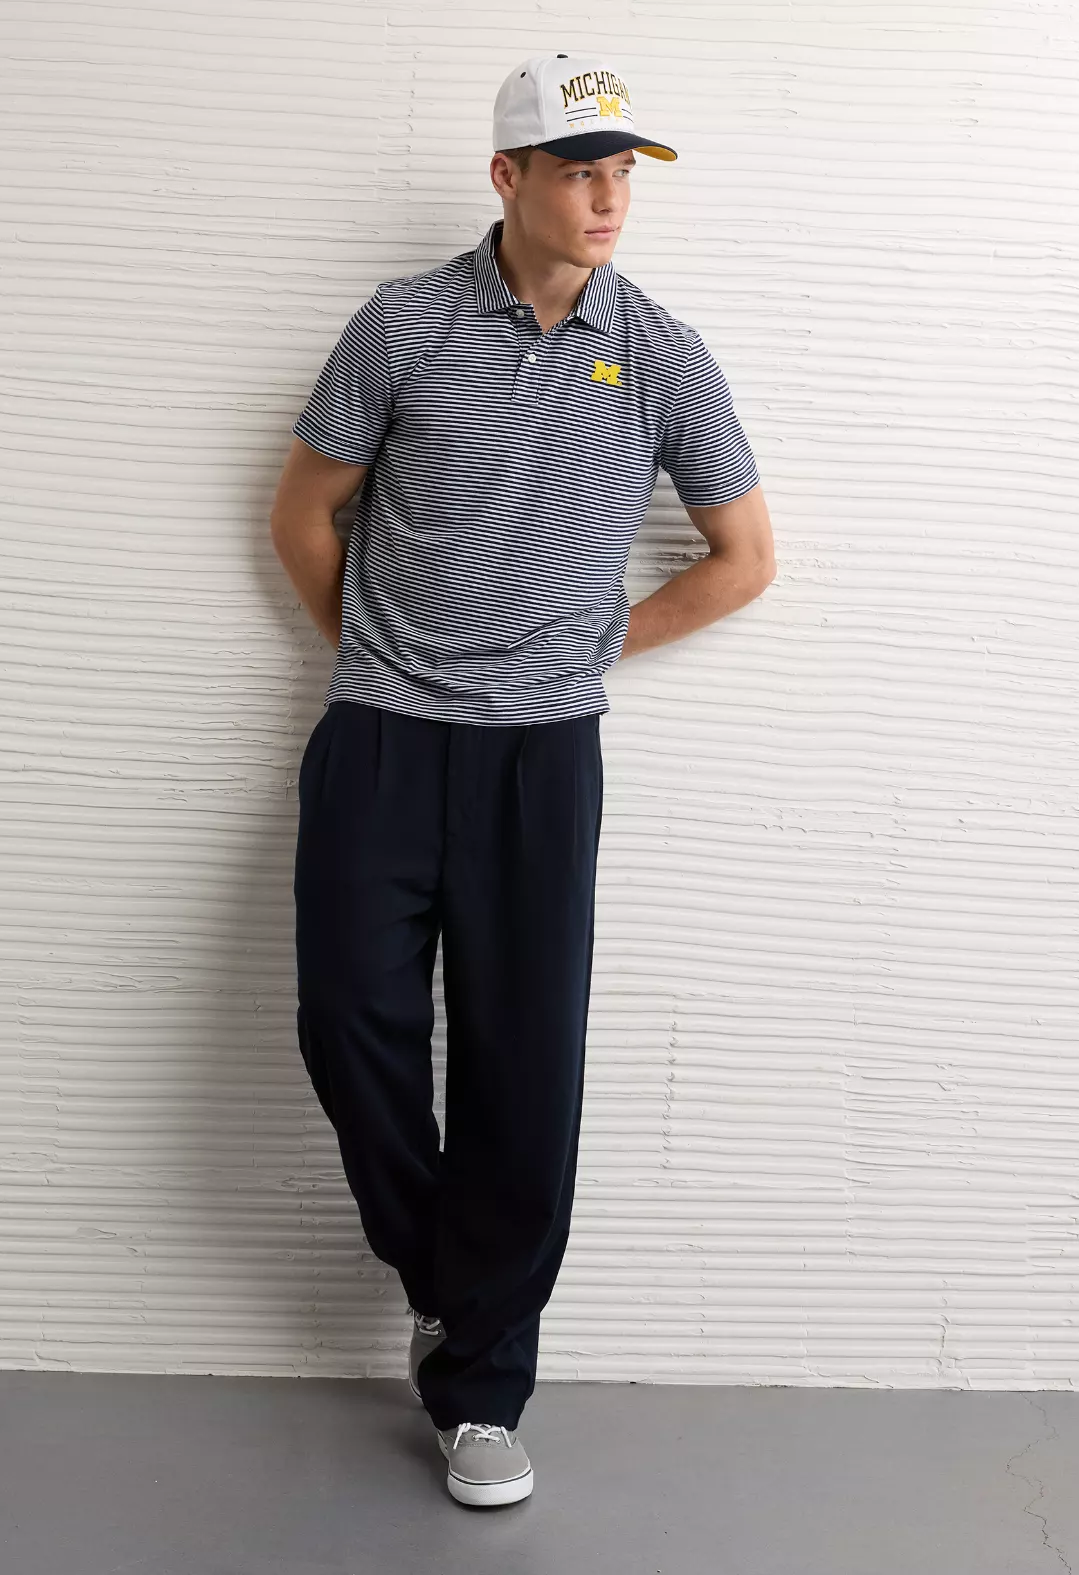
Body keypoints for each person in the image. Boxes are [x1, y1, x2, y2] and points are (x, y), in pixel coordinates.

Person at [269, 49, 775, 1509]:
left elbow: (743, 558)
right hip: (379, 737)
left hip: (541, 758)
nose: (607, 198)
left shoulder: (660, 352)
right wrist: (385, 655)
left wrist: (588, 645)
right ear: (508, 177)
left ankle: (481, 1387)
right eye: (578, 171)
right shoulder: (400, 328)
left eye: (622, 173)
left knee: (522, 1065)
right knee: (344, 1019)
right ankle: (454, 1279)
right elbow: (304, 513)